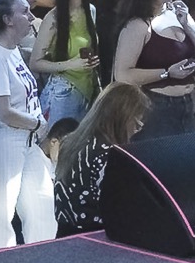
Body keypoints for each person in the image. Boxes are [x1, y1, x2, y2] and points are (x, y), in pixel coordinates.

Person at [0, 0, 55, 249]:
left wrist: (34, 126)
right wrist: (37, 123)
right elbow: (3, 111)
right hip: (3, 138)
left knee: (41, 203)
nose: (31, 17)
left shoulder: (13, 51)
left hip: (27, 138)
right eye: (24, 11)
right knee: (1, 212)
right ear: (8, 20)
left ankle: (43, 258)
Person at [109, 0, 195, 139]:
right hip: (156, 107)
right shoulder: (138, 25)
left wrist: (187, 23)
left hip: (188, 104)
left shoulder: (177, 12)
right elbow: (122, 74)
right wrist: (166, 73)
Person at [52, 82, 149, 236]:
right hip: (95, 237)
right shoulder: (107, 154)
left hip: (65, 235)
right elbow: (117, 209)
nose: (136, 130)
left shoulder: (70, 142)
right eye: (136, 122)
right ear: (122, 118)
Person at [28, 0, 100, 129]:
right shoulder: (54, 19)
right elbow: (35, 63)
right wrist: (71, 64)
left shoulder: (90, 11)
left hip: (88, 91)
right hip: (63, 92)